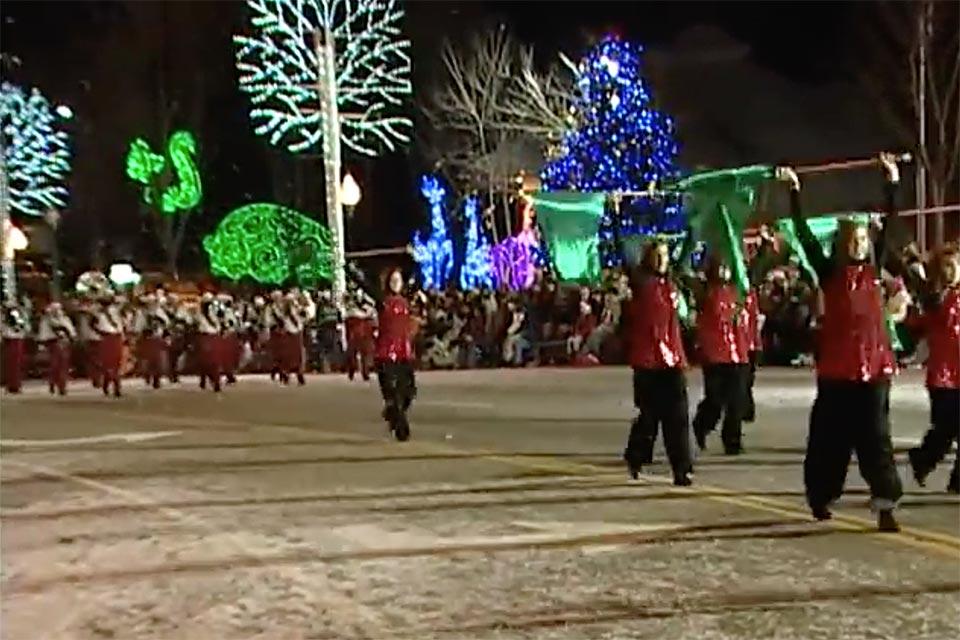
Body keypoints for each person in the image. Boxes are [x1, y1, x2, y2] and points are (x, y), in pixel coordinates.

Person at [779, 153, 903, 532]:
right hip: (837, 370)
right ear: (841, 242)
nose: (859, 245)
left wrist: (892, 183)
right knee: (830, 438)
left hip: (874, 369)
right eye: (853, 239)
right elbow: (801, 233)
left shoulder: (875, 271)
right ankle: (821, 495)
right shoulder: (828, 271)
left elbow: (892, 225)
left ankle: (885, 503)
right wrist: (795, 193)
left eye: (864, 239)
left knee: (876, 440)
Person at [621, 237, 694, 486]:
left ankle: (682, 469)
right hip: (648, 361)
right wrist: (616, 213)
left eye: (665, 255)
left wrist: (693, 232)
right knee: (649, 417)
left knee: (678, 417)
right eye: (657, 255)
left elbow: (684, 256)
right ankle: (635, 457)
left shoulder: (673, 285)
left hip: (673, 360)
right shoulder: (642, 283)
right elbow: (625, 254)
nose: (662, 260)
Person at [906, 244, 960, 493]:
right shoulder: (936, 300)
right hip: (943, 376)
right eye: (946, 267)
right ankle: (923, 458)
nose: (952, 271)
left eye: (955, 266)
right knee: (946, 429)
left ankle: (958, 480)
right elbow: (918, 323)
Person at [374, 267, 417, 441]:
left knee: (409, 392)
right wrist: (350, 269)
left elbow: (415, 275)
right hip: (385, 353)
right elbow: (368, 286)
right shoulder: (383, 301)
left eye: (398, 280)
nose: (395, 283)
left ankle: (393, 413)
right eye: (393, 280)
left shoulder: (406, 301)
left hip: (403, 352)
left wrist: (412, 258)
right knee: (392, 393)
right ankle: (401, 427)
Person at [37, 301, 77, 395]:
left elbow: (71, 331)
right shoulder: (47, 321)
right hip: (54, 343)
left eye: (58, 309)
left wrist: (71, 338)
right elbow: (44, 334)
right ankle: (54, 383)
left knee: (63, 365)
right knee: (55, 365)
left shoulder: (65, 319)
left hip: (65, 343)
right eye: (55, 309)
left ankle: (62, 386)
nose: (57, 311)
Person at [133, 293, 170, 389]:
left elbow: (167, 323)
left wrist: (161, 325)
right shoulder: (141, 313)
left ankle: (156, 379)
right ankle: (148, 375)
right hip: (147, 339)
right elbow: (138, 326)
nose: (151, 304)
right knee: (147, 359)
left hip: (157, 338)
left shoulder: (159, 312)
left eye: (153, 302)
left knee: (158, 360)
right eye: (150, 303)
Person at [94, 294, 126, 398]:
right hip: (109, 337)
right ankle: (114, 386)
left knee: (113, 363)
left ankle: (110, 384)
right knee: (110, 363)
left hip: (113, 337)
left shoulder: (114, 312)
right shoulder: (100, 314)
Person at [345, 289, 376, 381]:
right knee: (354, 354)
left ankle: (364, 373)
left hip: (364, 333)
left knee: (364, 354)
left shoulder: (369, 309)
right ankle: (353, 370)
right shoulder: (351, 310)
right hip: (355, 334)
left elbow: (373, 320)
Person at [195, 292, 223, 392]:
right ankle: (206, 379)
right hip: (205, 336)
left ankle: (215, 381)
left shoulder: (214, 311)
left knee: (215, 361)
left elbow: (219, 323)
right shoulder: (199, 314)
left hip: (214, 336)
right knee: (206, 361)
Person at [1, 299, 30, 394]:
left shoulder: (19, 315)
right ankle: (12, 385)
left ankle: (15, 385)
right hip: (10, 339)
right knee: (11, 364)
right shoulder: (5, 316)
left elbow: (25, 327)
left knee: (15, 363)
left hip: (15, 339)